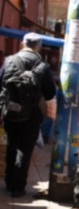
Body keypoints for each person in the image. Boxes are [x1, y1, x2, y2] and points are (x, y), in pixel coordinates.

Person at [0, 32, 56, 198]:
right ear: (38, 46)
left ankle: (9, 182)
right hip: (32, 114)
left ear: (23, 44)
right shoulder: (42, 65)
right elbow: (50, 92)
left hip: (10, 112)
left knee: (11, 145)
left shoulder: (9, 61)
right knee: (25, 149)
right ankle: (18, 187)